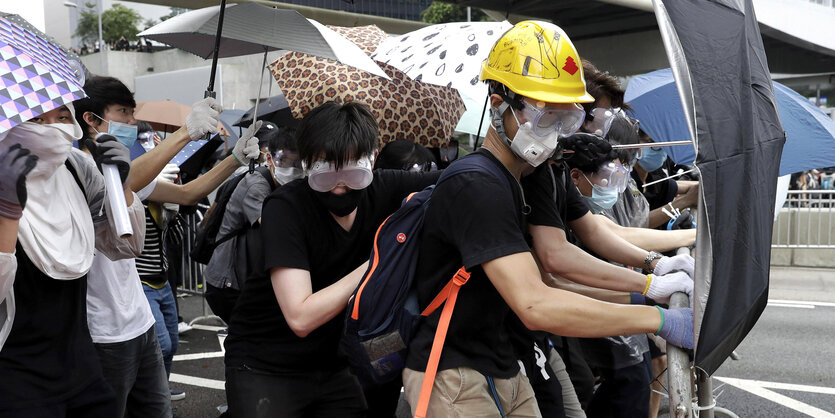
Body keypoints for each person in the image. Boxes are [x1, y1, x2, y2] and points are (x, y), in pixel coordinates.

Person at [402, 20, 694, 417]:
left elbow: (576, 241)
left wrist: (652, 276)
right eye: (544, 118)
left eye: (565, 120)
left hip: (503, 356)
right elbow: (536, 299)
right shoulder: (477, 184)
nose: (555, 134)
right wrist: (656, 315)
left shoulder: (530, 172)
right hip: (452, 369)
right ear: (499, 103)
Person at [224, 101, 442, 417]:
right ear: (307, 164)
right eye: (325, 174)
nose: (340, 187)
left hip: (334, 362)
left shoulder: (386, 186)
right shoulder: (285, 207)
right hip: (266, 362)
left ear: (373, 158)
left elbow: (461, 179)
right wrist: (379, 263)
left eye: (353, 172)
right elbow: (300, 316)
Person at [74, 75, 259, 405]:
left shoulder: (119, 169)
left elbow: (187, 194)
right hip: (102, 330)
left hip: (137, 321)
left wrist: (236, 160)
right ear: (90, 118)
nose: (132, 122)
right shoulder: (77, 169)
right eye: (123, 113)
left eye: (133, 113)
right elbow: (115, 183)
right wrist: (186, 132)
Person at [0, 104, 146, 417]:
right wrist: (8, 211)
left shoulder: (75, 168)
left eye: (62, 118)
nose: (52, 128)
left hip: (83, 369)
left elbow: (126, 245)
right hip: (15, 380)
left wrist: (121, 186)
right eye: (37, 119)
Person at [204, 125, 303, 324]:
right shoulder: (256, 185)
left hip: (247, 275)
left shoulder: (286, 185)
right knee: (245, 338)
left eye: (298, 163)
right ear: (269, 159)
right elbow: (273, 228)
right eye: (284, 161)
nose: (292, 170)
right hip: (228, 281)